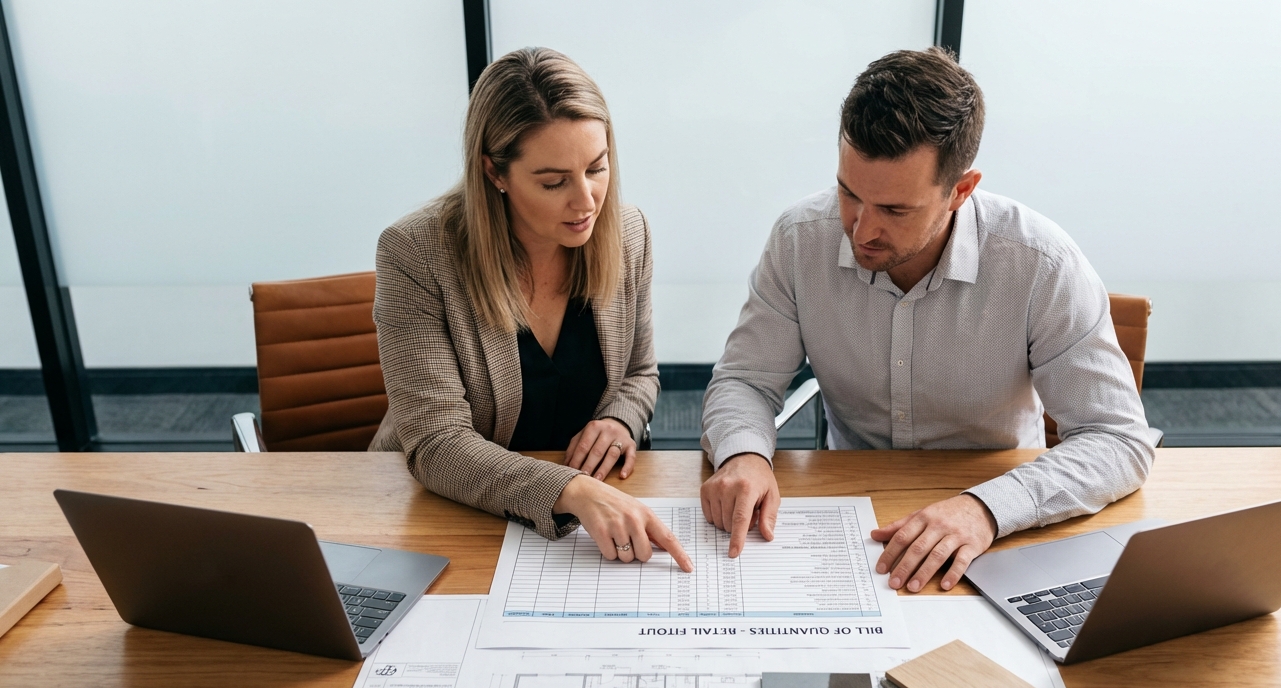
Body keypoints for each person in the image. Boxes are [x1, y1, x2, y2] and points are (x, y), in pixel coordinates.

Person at [699, 47, 1153, 592]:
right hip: (853, 516)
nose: (860, 229)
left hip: (998, 520)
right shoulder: (800, 240)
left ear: (960, 190)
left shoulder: (1040, 263)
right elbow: (745, 380)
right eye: (849, 193)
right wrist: (746, 453)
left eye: (894, 210)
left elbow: (1117, 438)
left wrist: (985, 510)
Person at [369, 47, 692, 573]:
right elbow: (435, 442)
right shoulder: (416, 253)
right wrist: (570, 490)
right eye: (553, 182)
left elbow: (639, 372)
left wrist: (620, 419)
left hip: (588, 521)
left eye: (597, 168)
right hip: (453, 513)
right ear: (495, 172)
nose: (586, 200)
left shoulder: (628, 233)